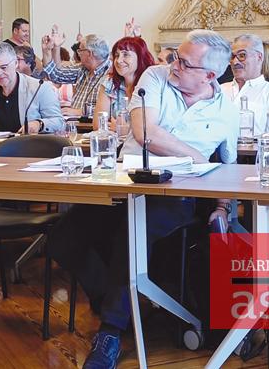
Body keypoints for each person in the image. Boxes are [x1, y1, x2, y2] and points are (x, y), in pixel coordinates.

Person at [57, 29, 238, 369]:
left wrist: (222, 207)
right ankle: (118, 302)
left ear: (210, 75)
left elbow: (228, 167)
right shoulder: (155, 77)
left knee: (132, 233)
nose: (174, 65)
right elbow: (146, 134)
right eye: (175, 56)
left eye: (184, 63)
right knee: (63, 236)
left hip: (176, 197)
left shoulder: (227, 112)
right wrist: (198, 158)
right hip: (125, 182)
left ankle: (111, 331)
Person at [0, 42, 64, 135]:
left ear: (16, 63)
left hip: (29, 145)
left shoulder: (40, 87)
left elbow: (59, 122)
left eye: (3, 67)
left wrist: (39, 124)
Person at [223, 34, 269, 136]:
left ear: (259, 57)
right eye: (232, 56)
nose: (235, 62)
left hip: (254, 146)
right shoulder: (218, 91)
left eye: (242, 55)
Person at [93, 36, 156, 134]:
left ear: (140, 57)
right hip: (114, 141)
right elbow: (98, 125)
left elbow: (151, 128)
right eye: (117, 55)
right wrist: (123, 128)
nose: (118, 60)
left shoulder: (151, 85)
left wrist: (124, 129)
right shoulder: (109, 83)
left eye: (125, 55)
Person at [43, 31, 112, 118]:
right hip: (74, 122)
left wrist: (81, 112)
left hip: (93, 125)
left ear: (89, 53)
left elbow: (111, 109)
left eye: (80, 50)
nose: (78, 54)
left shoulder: (111, 73)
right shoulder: (82, 68)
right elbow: (56, 76)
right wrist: (48, 50)